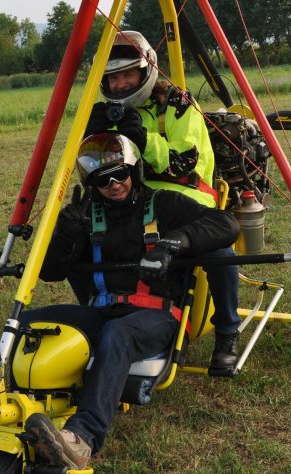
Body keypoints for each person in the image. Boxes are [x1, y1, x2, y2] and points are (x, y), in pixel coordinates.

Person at [23, 132, 239, 469]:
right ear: (92, 183)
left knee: (118, 334)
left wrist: (175, 243)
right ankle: (16, 413)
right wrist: (66, 233)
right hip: (104, 311)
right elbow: (51, 272)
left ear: (134, 169)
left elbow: (226, 224)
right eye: (102, 179)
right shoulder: (87, 215)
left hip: (155, 317)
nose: (114, 184)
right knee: (30, 323)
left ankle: (82, 439)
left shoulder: (165, 204)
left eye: (120, 173)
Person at [85, 30, 242, 371]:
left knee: (218, 251)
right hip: (135, 204)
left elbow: (184, 163)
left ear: (146, 71)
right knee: (81, 236)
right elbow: (97, 169)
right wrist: (91, 137)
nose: (122, 85)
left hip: (184, 202)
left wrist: (142, 138)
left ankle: (228, 330)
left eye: (128, 74)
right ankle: (102, 314)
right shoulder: (112, 114)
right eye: (113, 79)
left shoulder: (180, 106)